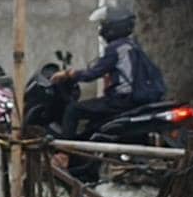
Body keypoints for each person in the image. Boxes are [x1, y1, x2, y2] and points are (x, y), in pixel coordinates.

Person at [52, 8, 163, 139]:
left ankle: (64, 153)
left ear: (113, 27)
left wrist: (68, 74)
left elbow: (92, 74)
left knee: (73, 110)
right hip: (134, 99)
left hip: (122, 100)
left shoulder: (115, 48)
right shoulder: (132, 46)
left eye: (104, 24)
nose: (101, 29)